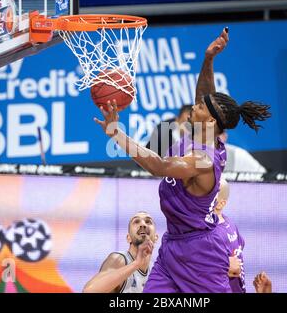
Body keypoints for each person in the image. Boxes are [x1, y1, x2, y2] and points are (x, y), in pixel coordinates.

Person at [94, 27, 271, 292]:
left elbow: (159, 166)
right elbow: (205, 95)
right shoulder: (203, 132)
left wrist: (116, 134)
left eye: (199, 107)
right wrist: (208, 58)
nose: (194, 105)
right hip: (174, 243)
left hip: (202, 252)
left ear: (211, 120)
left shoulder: (202, 159)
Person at [82, 211, 158, 293]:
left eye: (148, 221)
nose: (143, 224)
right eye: (136, 221)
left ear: (156, 237)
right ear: (128, 238)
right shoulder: (119, 260)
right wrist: (136, 263)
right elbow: (88, 291)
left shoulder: (156, 270)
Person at [215, 178, 246, 293]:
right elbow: (241, 244)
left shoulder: (213, 232)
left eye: (210, 194)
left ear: (221, 203)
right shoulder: (230, 223)